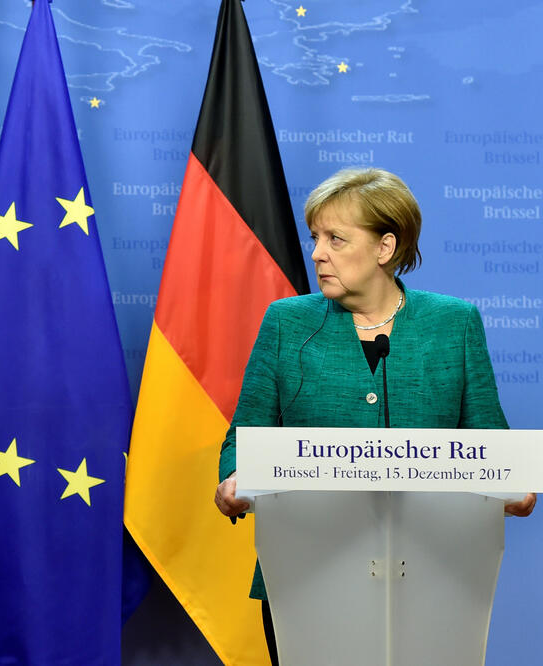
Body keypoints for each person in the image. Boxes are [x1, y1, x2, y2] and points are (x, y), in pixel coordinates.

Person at [212, 167, 535, 664]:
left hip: (436, 576)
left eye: (336, 239)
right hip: (307, 576)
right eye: (316, 237)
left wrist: (513, 486)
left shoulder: (454, 323)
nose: (317, 253)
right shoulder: (285, 322)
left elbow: (490, 442)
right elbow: (242, 438)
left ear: (386, 247)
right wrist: (233, 479)